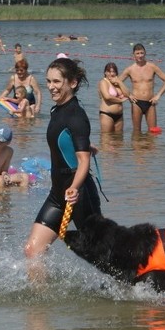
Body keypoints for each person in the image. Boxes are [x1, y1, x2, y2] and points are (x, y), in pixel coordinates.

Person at [24, 57, 101, 265]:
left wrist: (75, 187)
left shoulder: (76, 115)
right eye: (48, 81)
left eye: (57, 82)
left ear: (72, 82)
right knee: (33, 251)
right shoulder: (56, 110)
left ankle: (136, 289)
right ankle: (41, 298)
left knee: (101, 255)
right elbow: (69, 143)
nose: (51, 87)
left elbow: (83, 162)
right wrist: (85, 146)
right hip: (58, 195)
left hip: (79, 195)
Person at [116, 43, 165, 130]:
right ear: (133, 55)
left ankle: (148, 144)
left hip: (150, 102)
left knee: (153, 131)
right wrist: (128, 95)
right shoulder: (130, 69)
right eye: (137, 53)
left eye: (142, 53)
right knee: (137, 132)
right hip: (136, 103)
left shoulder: (152, 67)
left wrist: (158, 95)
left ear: (145, 53)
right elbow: (117, 83)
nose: (140, 55)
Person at [98, 62, 127, 133]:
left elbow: (127, 94)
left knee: (119, 140)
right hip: (107, 114)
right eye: (109, 71)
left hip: (119, 115)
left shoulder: (117, 83)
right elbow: (107, 97)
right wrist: (120, 100)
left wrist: (120, 82)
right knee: (106, 139)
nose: (111, 74)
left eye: (114, 71)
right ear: (105, 72)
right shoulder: (103, 82)